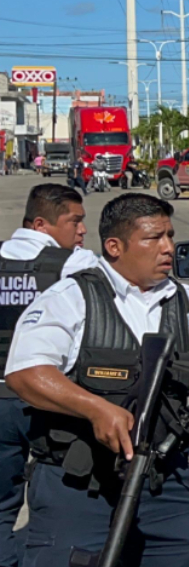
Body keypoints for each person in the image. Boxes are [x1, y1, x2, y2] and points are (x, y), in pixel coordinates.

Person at [5, 193, 189, 567]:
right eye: (154, 238)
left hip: (163, 483)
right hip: (81, 483)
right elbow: (25, 373)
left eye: (170, 236)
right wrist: (96, 408)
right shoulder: (71, 297)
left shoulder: (185, 300)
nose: (168, 248)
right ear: (114, 246)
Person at [0, 186, 99, 567]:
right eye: (74, 221)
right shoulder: (75, 264)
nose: (82, 231)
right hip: (48, 399)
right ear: (41, 223)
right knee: (56, 504)